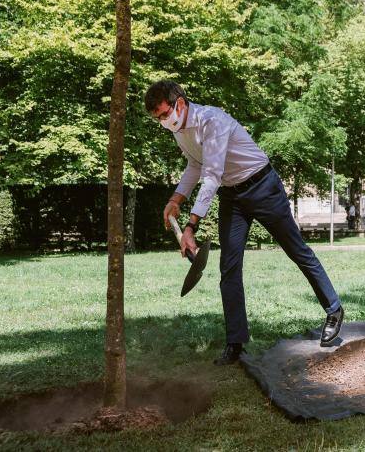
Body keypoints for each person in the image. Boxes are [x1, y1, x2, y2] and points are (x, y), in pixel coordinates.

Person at [145, 81, 345, 364]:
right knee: (229, 267)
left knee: (296, 250)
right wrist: (176, 199)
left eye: (165, 114)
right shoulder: (179, 131)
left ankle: (334, 308)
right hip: (232, 196)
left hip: (262, 186)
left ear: (179, 103)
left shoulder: (212, 121)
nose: (163, 122)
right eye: (158, 119)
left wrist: (191, 226)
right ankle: (235, 342)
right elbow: (195, 165)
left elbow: (211, 175)